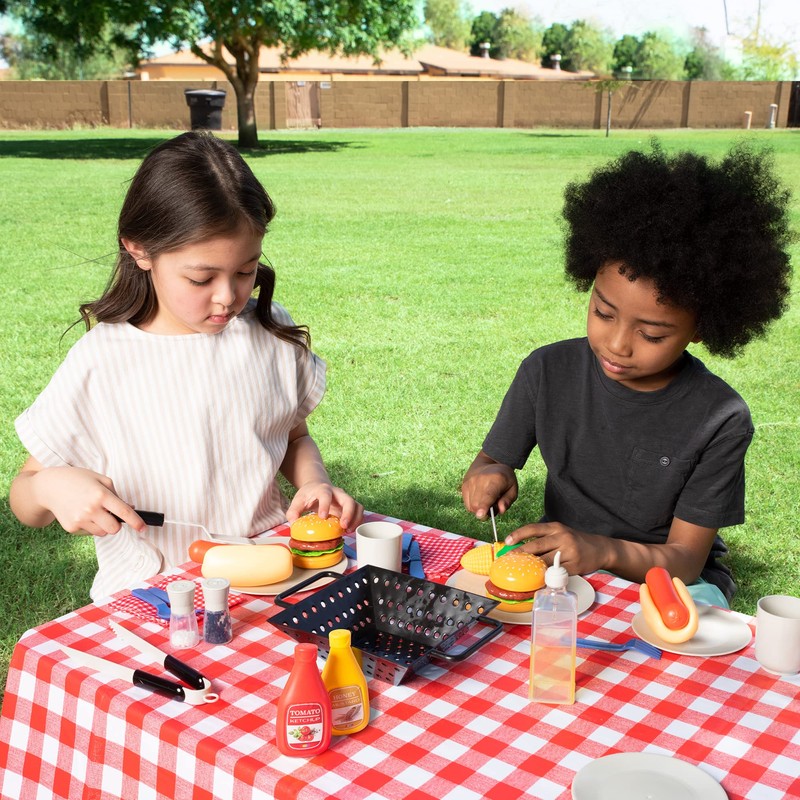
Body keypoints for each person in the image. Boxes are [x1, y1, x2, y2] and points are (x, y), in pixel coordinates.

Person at [10, 131, 363, 601]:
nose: (227, 297)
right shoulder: (103, 359)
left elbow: (293, 437)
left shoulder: (268, 332)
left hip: (270, 577)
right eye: (201, 278)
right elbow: (26, 496)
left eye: (245, 271)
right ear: (139, 250)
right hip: (154, 597)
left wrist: (314, 481)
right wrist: (50, 489)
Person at [461, 142, 793, 604]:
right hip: (564, 568)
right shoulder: (546, 370)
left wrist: (602, 550)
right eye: (603, 312)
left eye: (652, 334)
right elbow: (488, 464)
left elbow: (685, 559)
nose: (617, 345)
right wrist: (489, 474)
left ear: (702, 328)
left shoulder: (719, 417)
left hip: (672, 582)